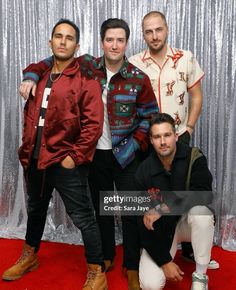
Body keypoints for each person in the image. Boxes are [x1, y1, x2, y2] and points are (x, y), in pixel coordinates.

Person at [17, 18, 158, 290]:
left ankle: (131, 265)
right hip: (95, 155)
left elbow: (149, 117)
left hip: (126, 156)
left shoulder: (138, 77)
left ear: (127, 43)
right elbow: (53, 59)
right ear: (102, 42)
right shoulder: (88, 66)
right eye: (109, 39)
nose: (114, 45)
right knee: (100, 209)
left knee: (130, 212)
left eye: (120, 40)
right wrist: (31, 75)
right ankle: (105, 258)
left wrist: (133, 146)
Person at [2, 19, 108, 290]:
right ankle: (30, 256)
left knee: (83, 216)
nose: (63, 41)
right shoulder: (40, 73)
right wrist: (26, 148)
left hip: (65, 161)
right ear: (51, 42)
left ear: (77, 45)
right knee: (36, 210)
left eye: (69, 37)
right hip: (36, 158)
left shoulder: (87, 81)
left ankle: (97, 270)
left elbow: (93, 125)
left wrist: (74, 157)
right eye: (58, 36)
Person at [129, 10, 219, 269]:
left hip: (178, 135)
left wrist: (188, 127)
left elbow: (197, 95)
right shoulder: (134, 62)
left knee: (187, 189)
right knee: (152, 193)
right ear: (143, 34)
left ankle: (193, 249)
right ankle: (154, 246)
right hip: (149, 140)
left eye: (158, 29)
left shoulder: (185, 58)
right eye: (148, 31)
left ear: (166, 29)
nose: (154, 36)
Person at [134, 113, 215, 290]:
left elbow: (204, 194)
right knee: (150, 285)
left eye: (167, 135)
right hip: (162, 230)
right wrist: (164, 262)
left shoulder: (194, 157)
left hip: (188, 221)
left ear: (176, 136)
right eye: (157, 137)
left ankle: (200, 275)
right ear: (151, 140)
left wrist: (165, 206)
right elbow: (141, 221)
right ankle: (157, 256)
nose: (163, 142)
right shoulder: (143, 171)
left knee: (202, 213)